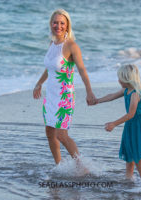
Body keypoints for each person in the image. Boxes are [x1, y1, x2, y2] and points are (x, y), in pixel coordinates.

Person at [33, 9, 96, 165]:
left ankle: (82, 167)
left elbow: (82, 70)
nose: (58, 26)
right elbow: (50, 68)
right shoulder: (52, 43)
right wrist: (39, 83)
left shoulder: (71, 45)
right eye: (55, 22)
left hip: (64, 97)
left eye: (62, 23)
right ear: (51, 24)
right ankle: (59, 165)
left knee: (61, 134)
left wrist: (89, 92)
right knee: (49, 132)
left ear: (67, 26)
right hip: (50, 95)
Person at [93, 64, 141, 183]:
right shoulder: (126, 90)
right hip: (131, 123)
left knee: (137, 153)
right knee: (129, 151)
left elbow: (131, 114)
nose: (118, 80)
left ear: (127, 79)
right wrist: (97, 101)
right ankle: (128, 179)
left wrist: (114, 124)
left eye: (120, 78)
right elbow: (111, 96)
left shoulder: (135, 93)